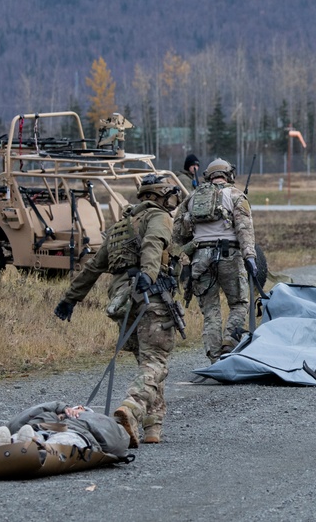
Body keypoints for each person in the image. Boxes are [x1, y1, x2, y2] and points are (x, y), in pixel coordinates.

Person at [53, 173, 183, 448]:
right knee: (156, 362)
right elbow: (153, 245)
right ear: (160, 196)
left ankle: (153, 427)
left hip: (124, 303)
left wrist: (70, 299)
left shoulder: (120, 226)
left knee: (147, 362)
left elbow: (93, 267)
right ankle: (131, 408)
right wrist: (149, 274)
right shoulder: (158, 217)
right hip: (151, 296)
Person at [173, 158, 257, 363]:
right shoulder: (236, 195)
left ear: (208, 176)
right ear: (229, 175)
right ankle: (229, 342)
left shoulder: (192, 198)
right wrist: (250, 257)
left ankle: (214, 358)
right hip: (230, 255)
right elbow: (244, 229)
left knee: (211, 311)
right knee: (239, 303)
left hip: (200, 258)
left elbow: (177, 233)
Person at [0, 401, 129, 458]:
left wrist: (84, 416)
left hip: (75, 433)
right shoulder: (52, 413)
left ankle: (38, 449)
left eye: (81, 408)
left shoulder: (94, 418)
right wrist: (58, 407)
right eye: (76, 408)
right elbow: (14, 424)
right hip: (39, 428)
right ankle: (10, 444)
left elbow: (118, 443)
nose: (78, 409)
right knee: (25, 432)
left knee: (62, 441)